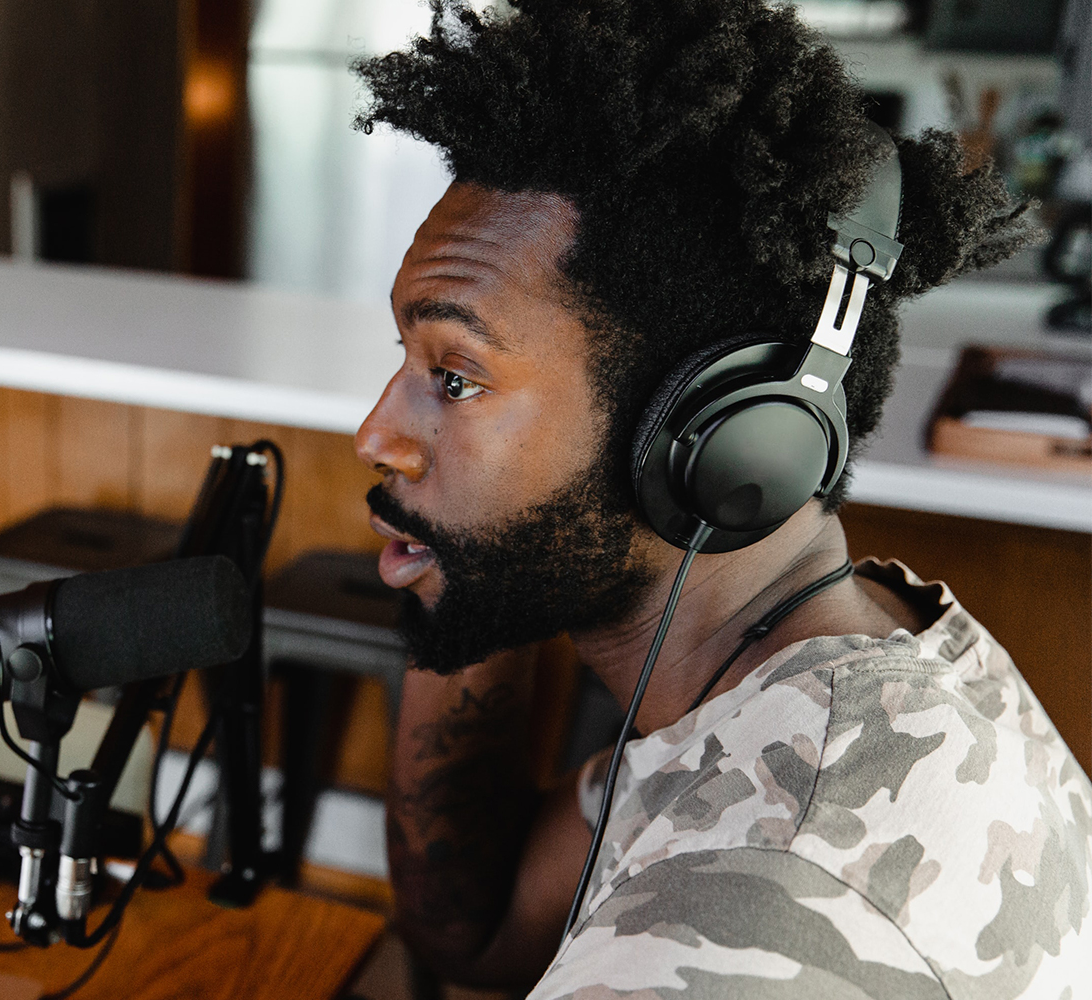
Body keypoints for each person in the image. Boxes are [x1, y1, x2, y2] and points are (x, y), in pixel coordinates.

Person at [350, 1, 1092, 997]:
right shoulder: (824, 681)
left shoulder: (764, 905)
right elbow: (477, 936)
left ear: (716, 437)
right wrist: (466, 585)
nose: (376, 435)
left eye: (459, 377)